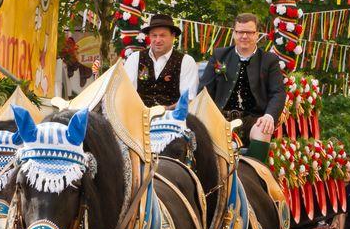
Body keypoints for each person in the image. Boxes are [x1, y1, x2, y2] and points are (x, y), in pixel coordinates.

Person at [198, 13, 285, 146]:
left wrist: (269, 116)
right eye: (240, 32)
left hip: (253, 120)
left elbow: (278, 93)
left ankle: (256, 167)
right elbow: (204, 90)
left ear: (257, 34)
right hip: (219, 119)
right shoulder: (220, 55)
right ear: (234, 33)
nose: (244, 36)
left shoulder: (269, 60)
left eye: (249, 32)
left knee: (263, 130)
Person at [122, 14, 198, 108]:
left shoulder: (186, 61)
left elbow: (188, 99)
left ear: (173, 36)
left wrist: (165, 111)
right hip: (139, 116)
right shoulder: (135, 58)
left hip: (172, 119)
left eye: (162, 35)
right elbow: (125, 92)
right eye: (154, 35)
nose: (157, 40)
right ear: (149, 36)